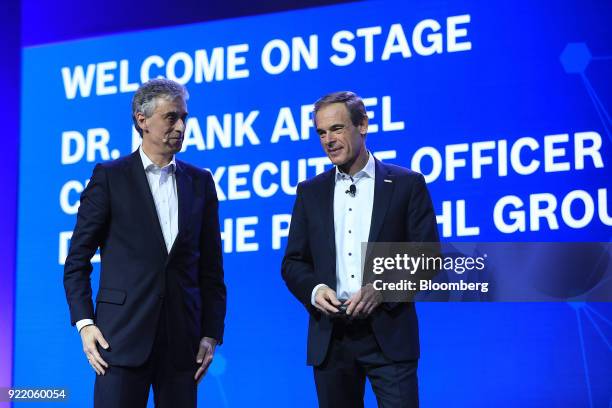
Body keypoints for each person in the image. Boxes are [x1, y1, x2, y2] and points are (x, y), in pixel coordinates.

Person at [63, 78, 226, 408]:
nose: (180, 126)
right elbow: (76, 261)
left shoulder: (201, 182)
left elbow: (211, 268)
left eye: (184, 117)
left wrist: (211, 332)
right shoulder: (110, 177)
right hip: (118, 341)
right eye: (171, 117)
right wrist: (84, 324)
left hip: (182, 345)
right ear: (142, 120)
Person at [281, 91, 439, 407]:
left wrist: (381, 289)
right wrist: (316, 290)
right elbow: (293, 262)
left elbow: (428, 256)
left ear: (362, 125)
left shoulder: (406, 185)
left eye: (337, 129)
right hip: (332, 337)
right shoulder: (310, 193)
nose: (328, 140)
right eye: (321, 133)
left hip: (388, 336)